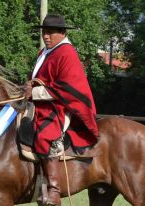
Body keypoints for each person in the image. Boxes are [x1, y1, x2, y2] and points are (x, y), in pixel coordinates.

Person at [21, 14, 98, 206]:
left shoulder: (66, 53)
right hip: (44, 103)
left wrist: (35, 92)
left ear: (62, 33)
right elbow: (40, 79)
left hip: (63, 106)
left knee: (45, 134)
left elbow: (66, 87)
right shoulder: (45, 53)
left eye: (51, 33)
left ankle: (53, 190)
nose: (46, 36)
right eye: (44, 32)